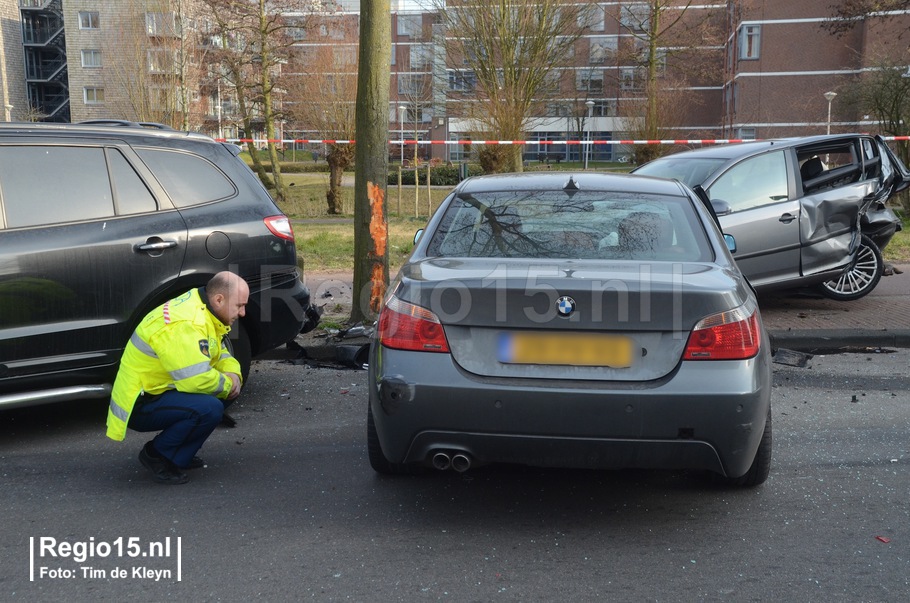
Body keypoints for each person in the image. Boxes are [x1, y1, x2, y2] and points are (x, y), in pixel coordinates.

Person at [106, 271, 249, 485]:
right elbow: (196, 380)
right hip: (141, 401)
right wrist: (229, 384)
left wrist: (233, 375)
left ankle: (179, 454)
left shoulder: (203, 307)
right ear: (219, 299)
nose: (243, 312)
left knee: (221, 395)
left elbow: (219, 351)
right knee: (210, 407)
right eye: (239, 305)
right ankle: (157, 455)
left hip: (160, 389)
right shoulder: (187, 322)